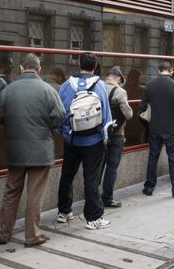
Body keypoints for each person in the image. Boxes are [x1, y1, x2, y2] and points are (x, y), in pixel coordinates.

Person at [0, 53, 65, 247]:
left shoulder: (9, 89)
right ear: (39, 70)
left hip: (15, 150)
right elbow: (60, 116)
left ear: (22, 68)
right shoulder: (48, 90)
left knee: (11, 192)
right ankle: (32, 235)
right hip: (40, 151)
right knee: (35, 194)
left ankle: (3, 233)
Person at [57, 52, 113, 230]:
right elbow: (106, 115)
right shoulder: (100, 85)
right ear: (95, 66)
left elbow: (61, 113)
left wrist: (66, 133)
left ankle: (64, 211)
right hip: (93, 140)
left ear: (78, 64)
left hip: (72, 140)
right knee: (91, 178)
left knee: (67, 176)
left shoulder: (66, 85)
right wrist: (105, 137)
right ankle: (93, 217)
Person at [140, 62, 174, 198]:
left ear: (159, 70)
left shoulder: (150, 85)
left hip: (154, 128)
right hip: (172, 127)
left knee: (153, 157)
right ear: (171, 71)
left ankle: (149, 187)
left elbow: (142, 106)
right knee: (173, 158)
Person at [101, 66, 133, 207]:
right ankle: (107, 198)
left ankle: (92, 197)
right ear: (118, 79)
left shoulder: (97, 88)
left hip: (99, 134)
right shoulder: (120, 92)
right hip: (116, 134)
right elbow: (128, 114)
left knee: (98, 167)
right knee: (111, 167)